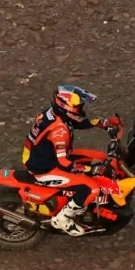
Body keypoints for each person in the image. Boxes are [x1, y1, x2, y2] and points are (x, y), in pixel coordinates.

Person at [21, 85, 117, 236]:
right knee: (91, 187)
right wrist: (91, 170)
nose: (80, 109)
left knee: (100, 157)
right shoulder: (60, 131)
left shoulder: (53, 113)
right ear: (65, 107)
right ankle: (63, 219)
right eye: (78, 106)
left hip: (42, 156)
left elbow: (77, 122)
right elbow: (64, 163)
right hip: (45, 168)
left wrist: (100, 123)